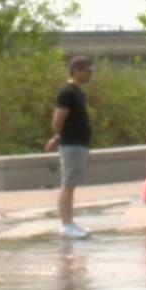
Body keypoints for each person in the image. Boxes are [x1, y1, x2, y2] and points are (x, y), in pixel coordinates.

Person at [44, 56, 94, 240]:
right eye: (88, 71)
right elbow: (58, 120)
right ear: (76, 70)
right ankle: (66, 224)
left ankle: (70, 222)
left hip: (79, 143)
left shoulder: (79, 93)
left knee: (72, 184)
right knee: (68, 183)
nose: (91, 74)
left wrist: (57, 137)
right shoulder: (67, 92)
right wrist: (59, 136)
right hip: (71, 144)